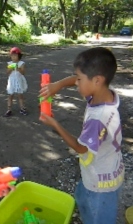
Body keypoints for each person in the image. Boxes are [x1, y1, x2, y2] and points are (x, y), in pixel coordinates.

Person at [39, 47, 124, 224]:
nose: (76, 83)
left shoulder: (98, 118)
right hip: (103, 169)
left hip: (100, 183)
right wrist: (58, 85)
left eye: (79, 79)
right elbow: (80, 79)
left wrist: (55, 124)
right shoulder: (103, 94)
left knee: (99, 217)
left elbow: (80, 147)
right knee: (83, 198)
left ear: (97, 80)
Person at [4, 47, 28, 117]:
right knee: (10, 95)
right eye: (12, 55)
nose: (13, 57)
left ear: (19, 56)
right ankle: (9, 109)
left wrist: (18, 68)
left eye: (15, 55)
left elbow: (23, 72)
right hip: (11, 81)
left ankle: (22, 108)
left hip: (19, 80)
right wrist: (10, 68)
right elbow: (7, 72)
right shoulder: (9, 63)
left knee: (20, 95)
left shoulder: (21, 63)